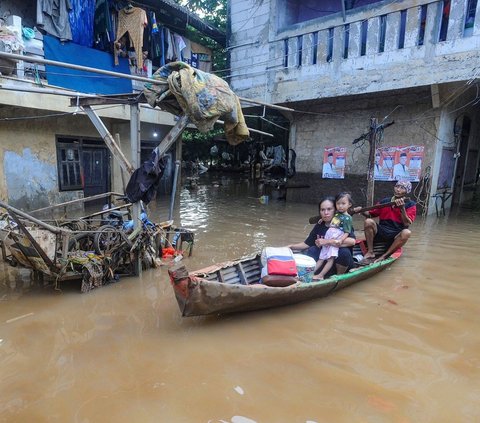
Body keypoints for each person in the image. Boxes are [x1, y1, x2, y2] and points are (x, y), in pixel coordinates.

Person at [287, 196, 356, 277]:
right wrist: (290, 247)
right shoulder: (320, 225)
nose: (326, 213)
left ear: (335, 210)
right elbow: (307, 244)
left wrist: (326, 242)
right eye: (322, 210)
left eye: (329, 209)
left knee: (344, 252)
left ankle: (338, 277)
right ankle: (313, 273)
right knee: (312, 249)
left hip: (341, 264)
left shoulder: (342, 224)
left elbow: (352, 241)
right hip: (325, 263)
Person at [356, 180, 416, 263]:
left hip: (395, 234)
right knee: (368, 221)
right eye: (397, 186)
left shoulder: (410, 204)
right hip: (382, 231)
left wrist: (402, 208)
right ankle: (370, 252)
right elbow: (371, 214)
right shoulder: (385, 201)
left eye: (402, 188)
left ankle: (385, 256)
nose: (398, 190)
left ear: (407, 191)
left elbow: (406, 223)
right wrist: (361, 210)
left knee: (407, 232)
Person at [312, 192, 354, 280]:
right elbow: (330, 217)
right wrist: (321, 219)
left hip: (335, 240)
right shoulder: (337, 214)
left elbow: (348, 234)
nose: (340, 206)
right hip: (330, 237)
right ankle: (311, 273)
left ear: (349, 204)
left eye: (343, 204)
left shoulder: (347, 219)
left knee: (334, 257)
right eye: (338, 204)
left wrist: (339, 241)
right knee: (320, 258)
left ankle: (322, 275)